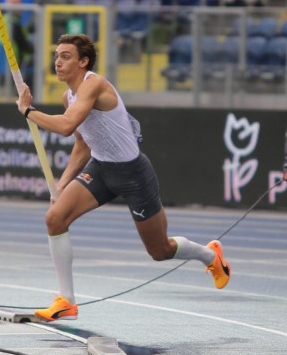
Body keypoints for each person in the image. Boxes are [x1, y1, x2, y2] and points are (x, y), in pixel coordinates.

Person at [16, 34, 231, 322]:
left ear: (83, 61)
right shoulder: (68, 95)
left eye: (66, 56)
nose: (58, 61)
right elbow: (82, 142)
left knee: (160, 250)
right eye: (56, 55)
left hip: (133, 174)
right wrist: (63, 182)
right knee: (55, 218)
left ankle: (210, 255)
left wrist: (28, 111)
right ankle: (67, 301)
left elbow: (66, 126)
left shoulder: (94, 84)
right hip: (101, 169)